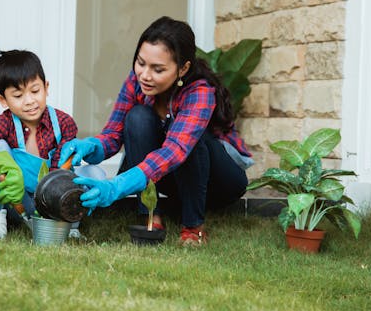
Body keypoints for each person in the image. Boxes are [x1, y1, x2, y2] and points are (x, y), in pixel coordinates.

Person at [60, 17, 252, 246]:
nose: (145, 75)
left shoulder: (199, 92)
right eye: (141, 63)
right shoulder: (137, 82)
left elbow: (175, 151)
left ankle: (193, 227)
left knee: (192, 140)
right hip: (171, 177)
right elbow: (113, 135)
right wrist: (89, 146)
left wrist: (115, 187)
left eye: (158, 69)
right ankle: (152, 217)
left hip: (217, 182)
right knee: (137, 118)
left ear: (183, 68)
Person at [0, 50, 103, 240]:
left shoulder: (63, 123)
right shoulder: (6, 123)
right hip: (17, 201)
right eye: (18, 95)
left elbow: (60, 169)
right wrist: (7, 166)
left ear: (46, 88)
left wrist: (54, 202)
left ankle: (69, 225)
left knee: (95, 174)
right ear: (3, 100)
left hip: (55, 200)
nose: (29, 101)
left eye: (35, 91)